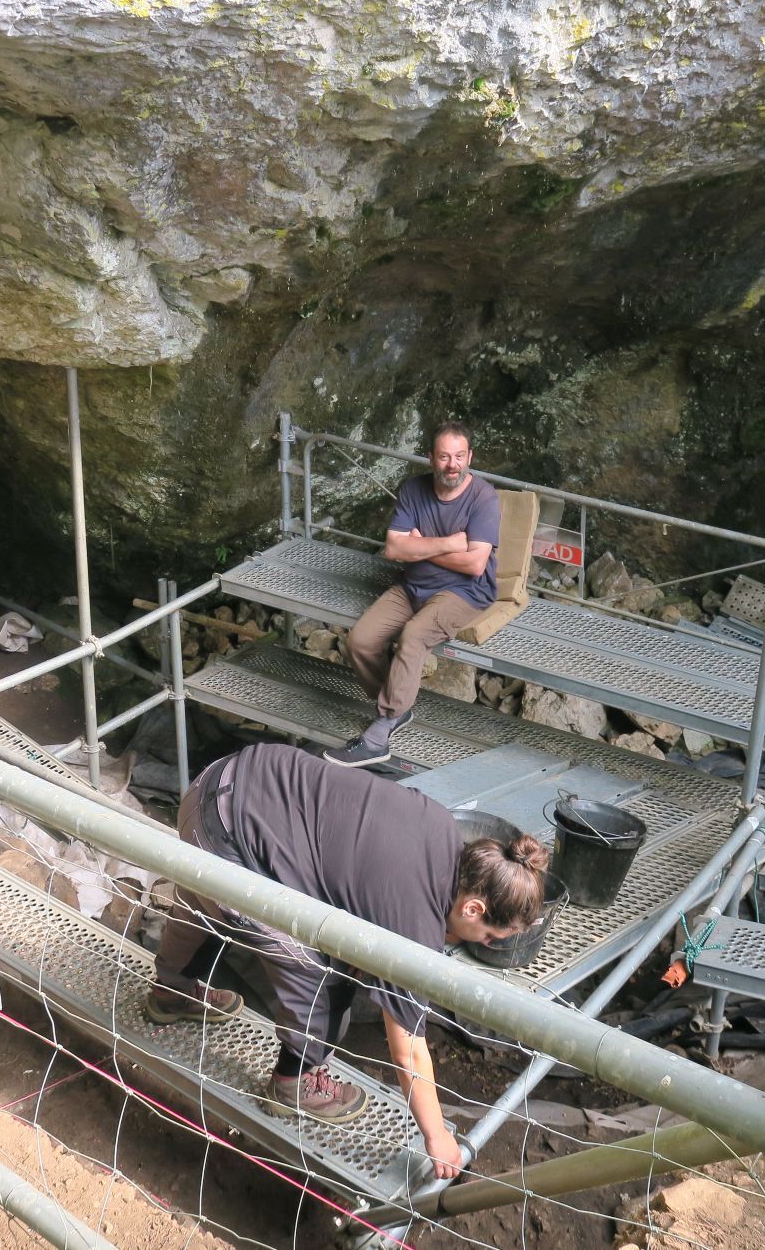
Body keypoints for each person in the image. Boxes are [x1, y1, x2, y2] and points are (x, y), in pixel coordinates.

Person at [146, 742, 549, 1179]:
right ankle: (293, 1082)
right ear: (473, 909)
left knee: (201, 896)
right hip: (221, 838)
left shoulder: (442, 829)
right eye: (491, 937)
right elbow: (408, 1052)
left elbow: (363, 868)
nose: (486, 945)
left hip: (221, 777)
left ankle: (170, 990)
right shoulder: (412, 924)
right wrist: (437, 1136)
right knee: (321, 972)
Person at [328, 422, 499, 766]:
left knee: (414, 636)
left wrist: (418, 545)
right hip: (412, 585)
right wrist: (450, 544)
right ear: (431, 458)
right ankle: (396, 708)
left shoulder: (484, 498)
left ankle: (382, 730)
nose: (453, 464)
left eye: (460, 456)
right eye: (444, 456)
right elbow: (393, 549)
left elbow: (475, 565)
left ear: (470, 457)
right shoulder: (413, 490)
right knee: (359, 641)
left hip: (463, 592)